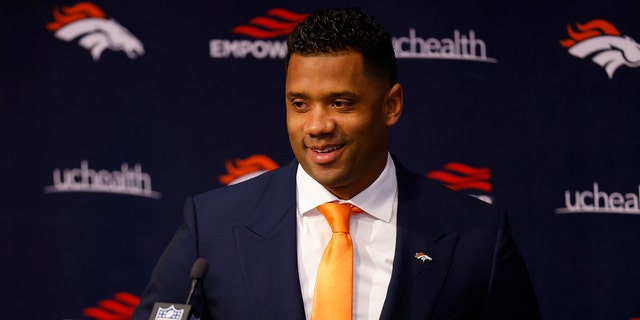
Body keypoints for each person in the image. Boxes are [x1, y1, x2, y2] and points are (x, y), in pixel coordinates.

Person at [132, 7, 540, 320]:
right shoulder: (213, 226)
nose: (317, 126)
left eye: (340, 103)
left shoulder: (477, 238)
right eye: (299, 104)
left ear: (391, 105)